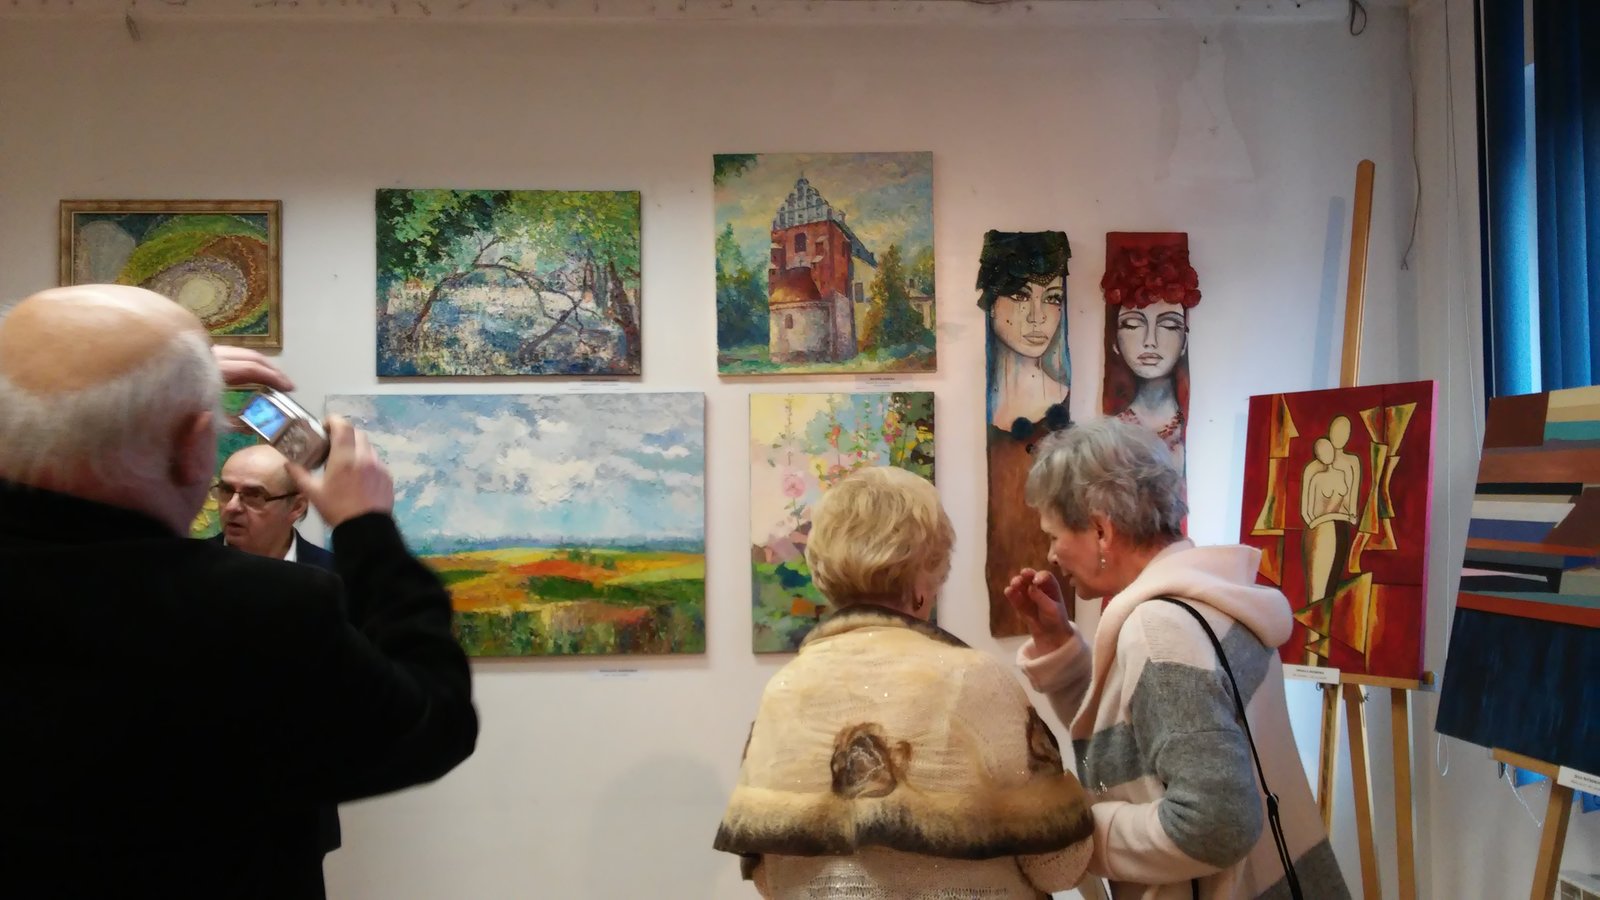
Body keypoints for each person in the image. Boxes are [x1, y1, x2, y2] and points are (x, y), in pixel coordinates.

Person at [0, 285, 479, 898]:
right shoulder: (260, 609)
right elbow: (432, 722)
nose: (232, 505)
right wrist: (369, 532)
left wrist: (139, 394)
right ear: (192, 448)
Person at [1005, 418, 1348, 900]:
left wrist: (1081, 832)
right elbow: (1144, 740)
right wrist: (1058, 643)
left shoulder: (1160, 630)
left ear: (1101, 530)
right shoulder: (1213, 601)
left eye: (1054, 535)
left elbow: (1217, 825)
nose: (1051, 555)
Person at [715, 466, 1093, 898]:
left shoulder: (784, 691)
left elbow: (767, 878)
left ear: (822, 572)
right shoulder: (973, 680)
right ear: (924, 578)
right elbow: (1059, 866)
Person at [209, 443, 344, 889]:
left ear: (297, 508)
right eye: (225, 490)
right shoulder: (180, 572)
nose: (232, 507)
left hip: (298, 810)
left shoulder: (337, 581)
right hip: (193, 806)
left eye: (253, 495)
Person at [978, 229, 1073, 637]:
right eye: (1019, 295)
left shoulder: (1060, 402)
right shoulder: (992, 411)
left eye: (1052, 298)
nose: (1038, 316)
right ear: (990, 304)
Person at [1099, 239, 1202, 474]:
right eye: (1133, 325)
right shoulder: (1113, 432)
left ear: (1184, 342)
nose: (1150, 341)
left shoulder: (1194, 424)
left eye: (1169, 325)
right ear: (1114, 341)